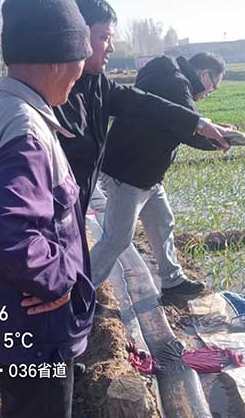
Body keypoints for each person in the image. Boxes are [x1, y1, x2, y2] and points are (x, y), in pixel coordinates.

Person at [0, 0, 95, 418]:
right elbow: (4, 229)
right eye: (80, 57)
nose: (81, 71)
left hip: (2, 312)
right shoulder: (27, 131)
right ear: (56, 59)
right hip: (34, 331)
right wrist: (60, 282)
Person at [55, 0, 233, 218]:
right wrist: (208, 133)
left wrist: (199, 123)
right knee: (116, 234)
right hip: (109, 183)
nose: (111, 48)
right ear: (78, 35)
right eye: (104, 38)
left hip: (86, 194)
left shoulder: (97, 82)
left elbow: (144, 104)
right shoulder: (49, 97)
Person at [91, 52, 233, 298]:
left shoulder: (168, 77)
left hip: (148, 172)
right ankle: (78, 291)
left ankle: (172, 281)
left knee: (162, 222)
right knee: (117, 239)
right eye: (214, 86)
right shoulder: (176, 84)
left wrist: (215, 132)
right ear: (204, 74)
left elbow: (184, 122)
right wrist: (221, 139)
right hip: (129, 171)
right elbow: (189, 128)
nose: (210, 92)